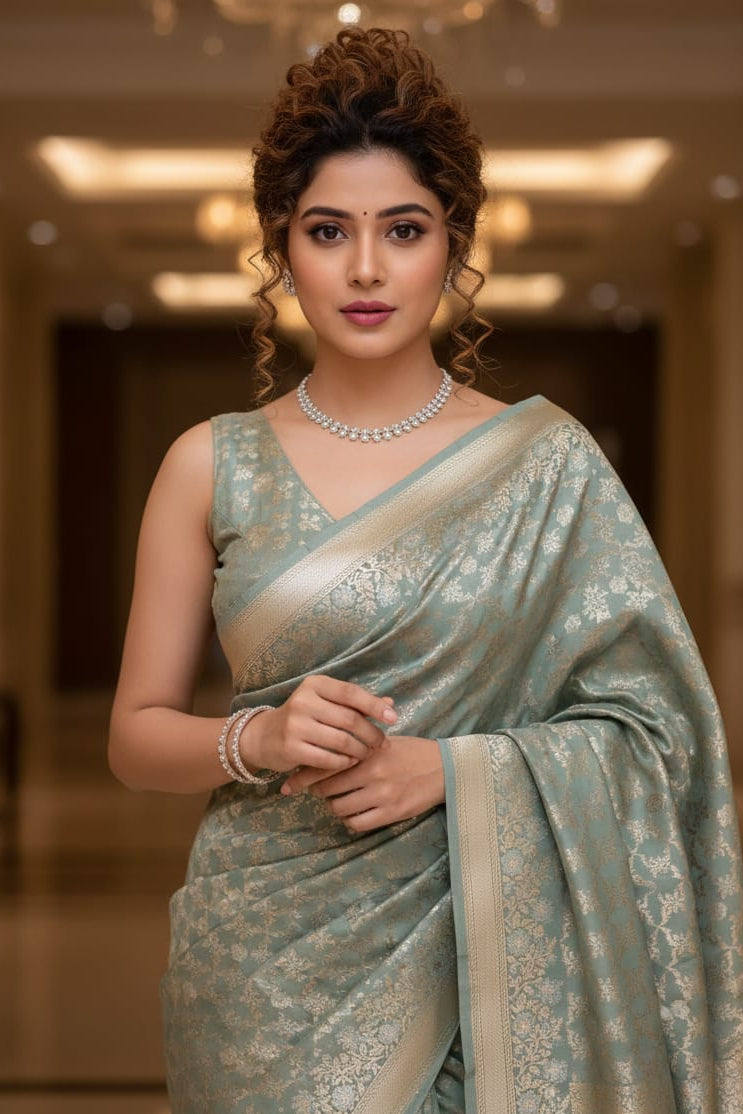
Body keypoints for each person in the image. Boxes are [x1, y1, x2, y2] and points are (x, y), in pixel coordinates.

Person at [108, 26, 743, 1114]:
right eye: (327, 231)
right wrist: (256, 737)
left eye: (402, 229)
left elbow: (657, 734)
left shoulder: (546, 465)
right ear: (280, 249)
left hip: (481, 960)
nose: (364, 268)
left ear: (453, 245)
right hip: (262, 976)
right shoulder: (208, 464)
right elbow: (134, 736)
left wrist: (452, 772)